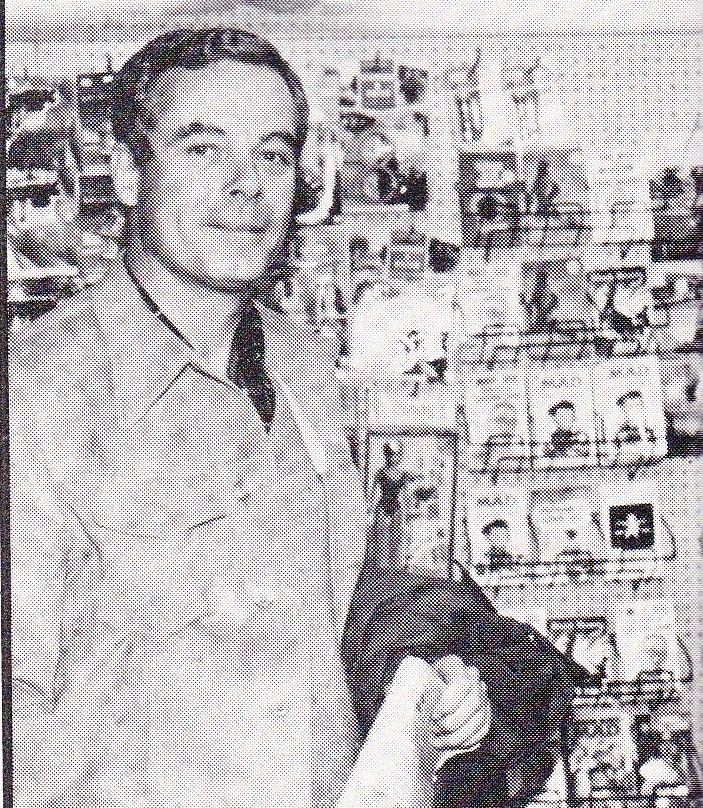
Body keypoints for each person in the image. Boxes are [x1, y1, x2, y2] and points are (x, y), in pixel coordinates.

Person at [8, 29, 493, 808]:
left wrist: (419, 675)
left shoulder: (303, 367)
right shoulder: (33, 399)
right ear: (130, 172)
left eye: (272, 155)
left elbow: (330, 600)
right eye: (203, 149)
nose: (247, 186)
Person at [367, 441, 415, 569]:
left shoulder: (403, 475)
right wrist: (370, 509)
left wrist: (409, 510)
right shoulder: (380, 472)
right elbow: (373, 492)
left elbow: (407, 494)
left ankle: (396, 568)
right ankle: (381, 568)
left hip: (397, 508)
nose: (392, 457)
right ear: (385, 455)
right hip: (382, 507)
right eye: (389, 454)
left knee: (398, 538)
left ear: (399, 456)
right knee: (382, 539)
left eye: (394, 454)